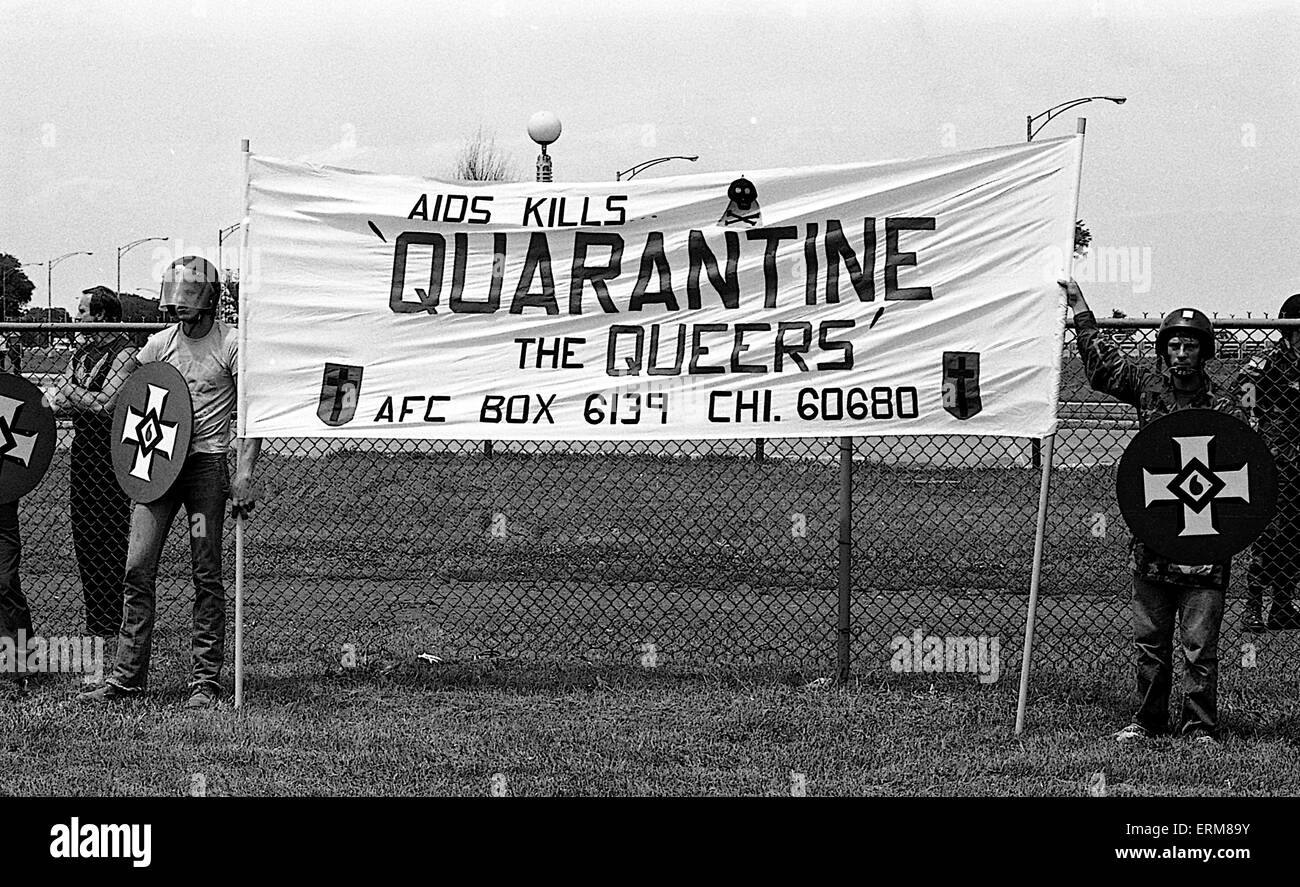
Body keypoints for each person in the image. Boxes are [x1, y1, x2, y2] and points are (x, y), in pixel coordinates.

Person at [1063, 279, 1246, 745]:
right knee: (1151, 643)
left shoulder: (1224, 406)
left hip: (1207, 540)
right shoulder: (1147, 387)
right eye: (1174, 344)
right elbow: (1102, 368)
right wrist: (1081, 309)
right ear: (1164, 351)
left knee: (1200, 647)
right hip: (1155, 536)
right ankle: (1147, 721)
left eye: (1190, 345)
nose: (1181, 353)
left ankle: (1200, 727)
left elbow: (1245, 472)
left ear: (1204, 352)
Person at [80, 256, 260, 709]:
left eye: (186, 300)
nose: (178, 308)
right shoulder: (158, 345)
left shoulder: (232, 344)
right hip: (158, 471)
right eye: (174, 300)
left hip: (205, 472)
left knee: (205, 570)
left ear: (206, 301)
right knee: (137, 567)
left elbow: (253, 415)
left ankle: (205, 681)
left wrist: (243, 474)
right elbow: (130, 396)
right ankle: (126, 678)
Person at [47, 286, 137, 637]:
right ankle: (96, 620)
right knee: (83, 533)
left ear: (101, 315)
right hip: (83, 450)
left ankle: (114, 617)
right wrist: (76, 396)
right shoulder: (83, 353)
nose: (78, 317)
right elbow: (60, 405)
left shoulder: (125, 352)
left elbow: (106, 404)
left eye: (83, 311)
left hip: (112, 453)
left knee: (110, 534)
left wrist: (71, 391)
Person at [1233, 292, 1300, 632]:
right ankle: (1253, 606)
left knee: (1295, 536)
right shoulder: (1271, 359)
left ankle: (1283, 606)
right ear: (1287, 330)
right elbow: (1243, 385)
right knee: (1270, 534)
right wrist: (1252, 414)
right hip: (1276, 458)